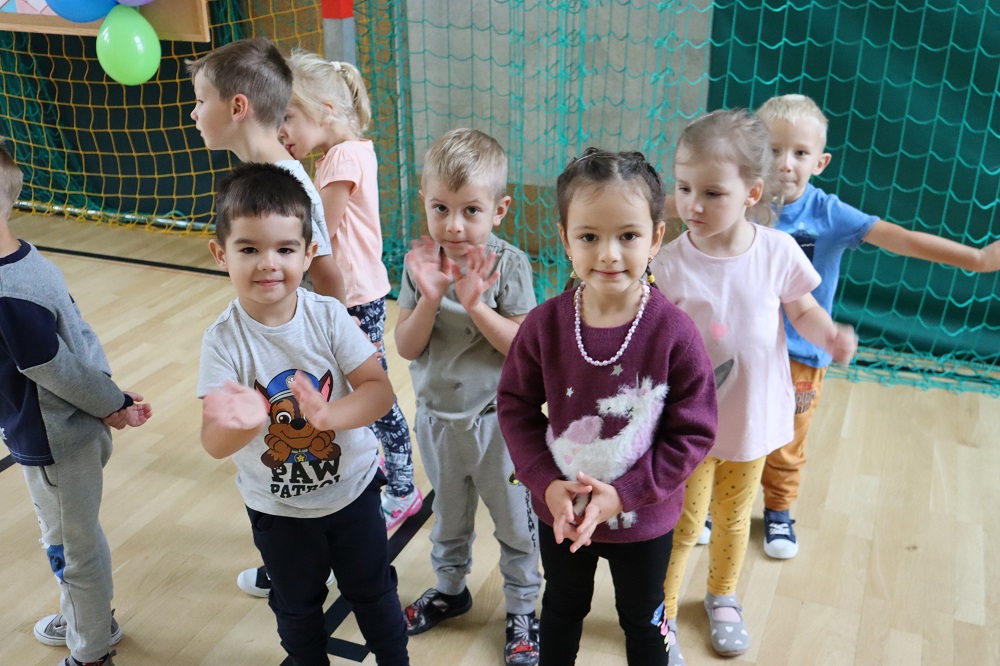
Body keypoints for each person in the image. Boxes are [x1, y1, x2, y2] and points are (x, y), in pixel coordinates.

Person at [748, 93, 1000, 559]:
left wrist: (977, 259)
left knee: (787, 439)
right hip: (741, 349)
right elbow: (686, 206)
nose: (785, 163)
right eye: (773, 149)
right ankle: (711, 504)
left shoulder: (829, 214)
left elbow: (900, 240)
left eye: (800, 153)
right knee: (723, 426)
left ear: (820, 162)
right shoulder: (739, 201)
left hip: (802, 353)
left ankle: (778, 510)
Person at [497, 148, 719, 666]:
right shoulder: (544, 325)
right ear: (565, 238)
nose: (609, 254)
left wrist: (625, 495)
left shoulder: (674, 333)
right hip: (563, 511)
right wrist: (546, 483)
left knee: (643, 619)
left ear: (656, 238)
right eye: (589, 237)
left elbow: (693, 432)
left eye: (628, 235)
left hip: (643, 519)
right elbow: (515, 405)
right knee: (562, 606)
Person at [651, 109, 858, 663]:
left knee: (733, 516)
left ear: (752, 193)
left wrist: (829, 334)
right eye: (684, 187)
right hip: (688, 426)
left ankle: (722, 596)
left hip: (750, 418)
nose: (693, 204)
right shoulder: (668, 263)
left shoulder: (777, 251)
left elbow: (803, 310)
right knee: (683, 522)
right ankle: (661, 614)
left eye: (712, 192)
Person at [197, 162, 409, 666]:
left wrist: (330, 415)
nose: (268, 264)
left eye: (285, 249)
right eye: (249, 249)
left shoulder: (328, 316)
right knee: (296, 607)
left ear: (309, 252)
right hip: (278, 512)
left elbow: (379, 391)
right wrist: (243, 422)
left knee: (374, 592)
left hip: (353, 494)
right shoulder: (222, 342)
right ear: (221, 254)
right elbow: (212, 443)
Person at [186, 36, 345, 597]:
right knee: (274, 459)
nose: (193, 113)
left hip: (307, 350)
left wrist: (332, 343)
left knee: (308, 453)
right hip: (278, 339)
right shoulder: (258, 173)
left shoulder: (288, 182)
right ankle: (290, 560)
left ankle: (321, 559)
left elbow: (329, 278)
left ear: (237, 107)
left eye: (199, 100)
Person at [0, 138, 153, 666]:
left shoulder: (9, 295)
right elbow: (80, 336)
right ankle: (92, 618)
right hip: (67, 428)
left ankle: (90, 651)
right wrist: (111, 396)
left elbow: (58, 368)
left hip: (56, 440)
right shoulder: (25, 260)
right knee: (76, 536)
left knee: (70, 546)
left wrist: (112, 403)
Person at [393, 128, 542, 666]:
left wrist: (476, 305)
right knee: (449, 519)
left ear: (499, 210)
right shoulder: (420, 263)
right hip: (438, 421)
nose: (454, 225)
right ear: (424, 202)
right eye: (441, 208)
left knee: (515, 524)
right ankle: (450, 590)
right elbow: (406, 346)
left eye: (471, 211)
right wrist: (430, 299)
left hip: (500, 425)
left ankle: (522, 608)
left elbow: (524, 349)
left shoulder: (510, 264)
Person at [279, 50, 422, 531]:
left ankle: (403, 489)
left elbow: (320, 230)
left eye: (288, 117)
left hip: (357, 298)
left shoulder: (341, 157)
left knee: (373, 393)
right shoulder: (350, 151)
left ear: (324, 109)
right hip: (359, 295)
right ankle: (380, 468)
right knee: (357, 385)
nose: (281, 131)